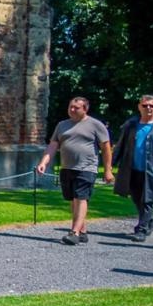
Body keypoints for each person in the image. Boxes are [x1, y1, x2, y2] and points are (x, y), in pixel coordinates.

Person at [35, 96, 114, 245]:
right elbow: (53, 145)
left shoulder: (96, 125)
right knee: (72, 199)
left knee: (81, 197)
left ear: (85, 109)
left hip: (87, 168)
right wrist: (44, 162)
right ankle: (83, 231)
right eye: (70, 107)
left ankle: (74, 232)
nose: (72, 110)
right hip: (67, 167)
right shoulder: (62, 125)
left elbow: (106, 148)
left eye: (76, 108)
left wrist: (108, 170)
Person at [112, 95, 153, 241]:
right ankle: (149, 221)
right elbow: (120, 146)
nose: (148, 108)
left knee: (148, 200)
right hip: (132, 168)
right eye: (145, 105)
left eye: (152, 106)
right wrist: (110, 165)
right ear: (139, 106)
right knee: (136, 198)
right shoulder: (131, 125)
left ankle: (141, 229)